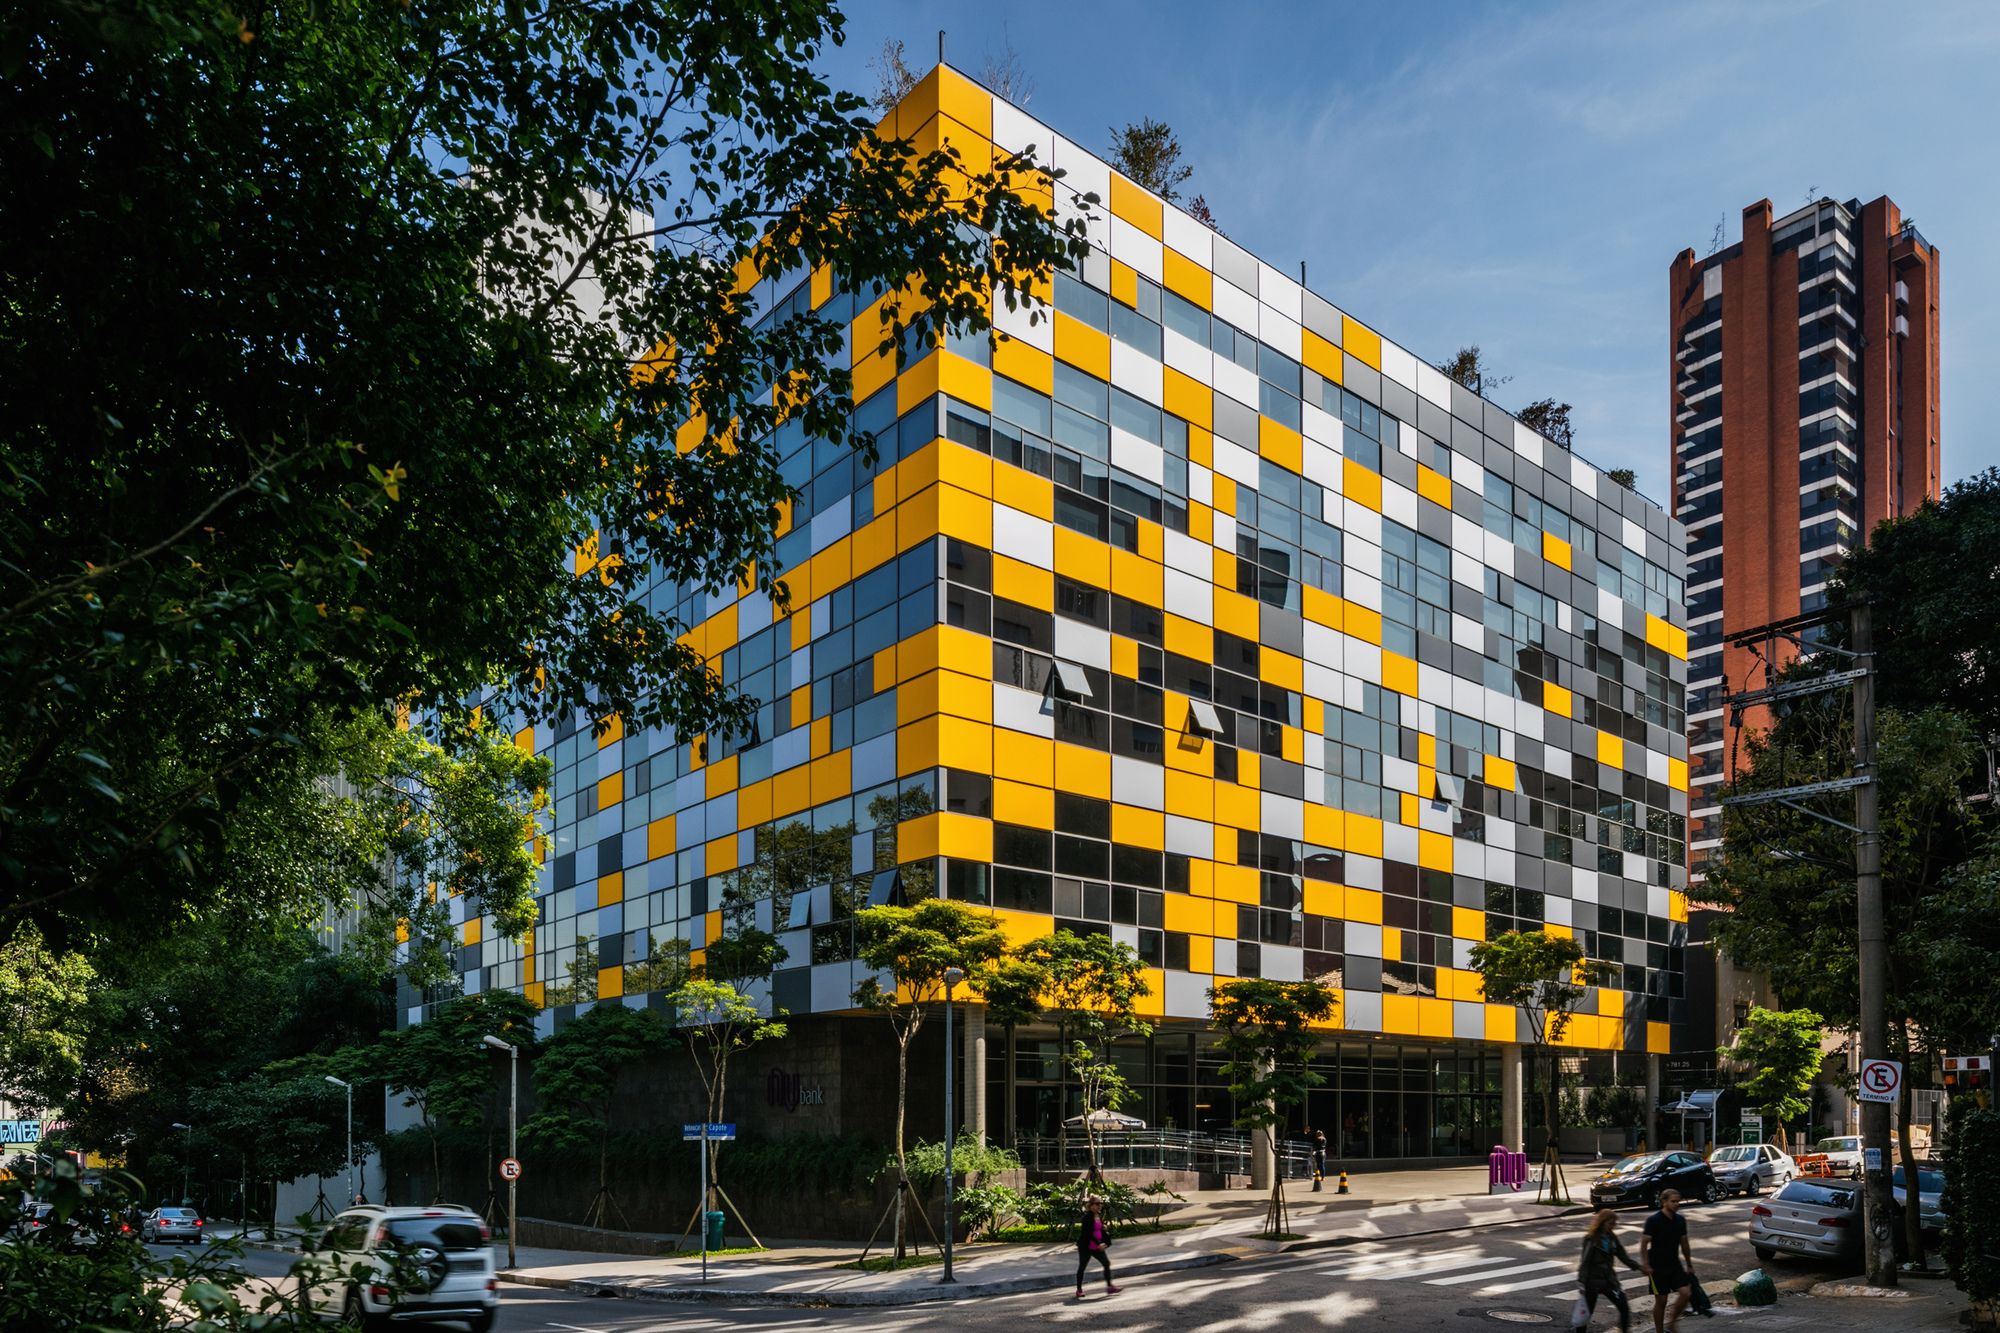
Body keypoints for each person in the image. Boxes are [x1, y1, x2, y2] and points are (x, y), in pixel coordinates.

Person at [1572, 1209, 1640, 1331]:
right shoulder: (1591, 1239)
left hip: (1609, 1280)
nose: (1612, 1226)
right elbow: (1585, 1261)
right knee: (1585, 1313)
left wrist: (1638, 1267)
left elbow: (1623, 1256)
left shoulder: (1612, 1237)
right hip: (1592, 1282)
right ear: (1602, 1222)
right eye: (1610, 1223)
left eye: (1614, 1224)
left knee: (1624, 1308)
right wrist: (1582, 1282)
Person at [1639, 1189, 1694, 1332]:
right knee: (1661, 1300)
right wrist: (1645, 1264)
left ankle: (1672, 1323)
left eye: (1678, 1201)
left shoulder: (1680, 1220)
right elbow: (1644, 1243)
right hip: (1657, 1266)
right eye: (1673, 1201)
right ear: (1664, 1201)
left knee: (1686, 1293)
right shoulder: (1653, 1220)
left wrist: (1689, 1264)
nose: (1676, 1204)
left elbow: (1684, 1243)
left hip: (1674, 1264)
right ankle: (1659, 1331)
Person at [1074, 1196, 1120, 1299]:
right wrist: (1099, 1243)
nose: (1100, 1206)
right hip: (1086, 1247)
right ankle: (1079, 1290)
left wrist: (1105, 1237)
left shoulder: (1098, 1216)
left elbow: (1100, 1230)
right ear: (1090, 1206)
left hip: (1096, 1247)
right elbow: (1088, 1233)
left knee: (1106, 1263)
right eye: (1097, 1204)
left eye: (1100, 1204)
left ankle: (1110, 1287)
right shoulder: (1086, 1218)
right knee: (1082, 1267)